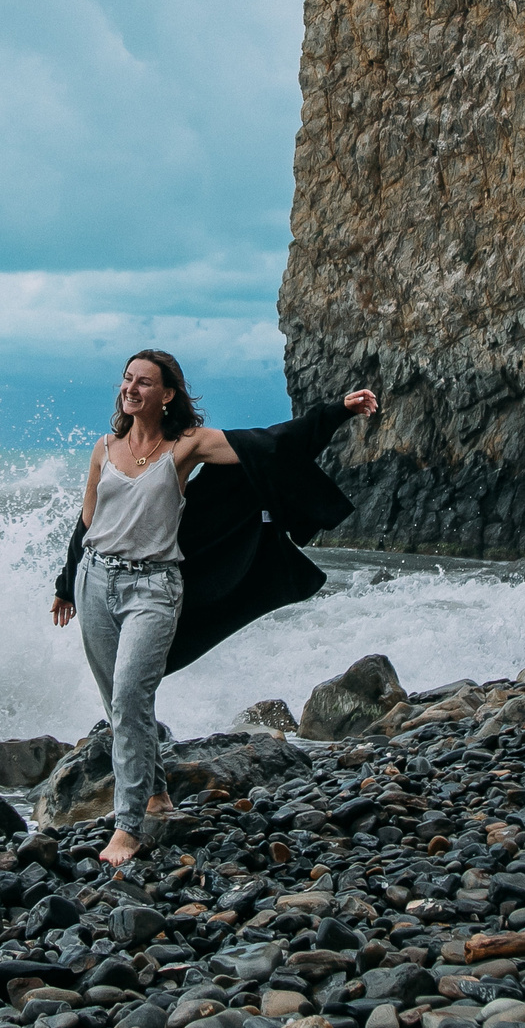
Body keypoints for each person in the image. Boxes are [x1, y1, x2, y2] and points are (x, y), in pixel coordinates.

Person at [52, 349, 379, 866]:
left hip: (154, 590)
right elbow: (88, 521)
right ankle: (156, 793)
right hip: (95, 581)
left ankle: (128, 826)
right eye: (127, 379)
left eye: (144, 382)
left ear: (168, 394)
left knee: (130, 698)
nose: (131, 389)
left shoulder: (186, 446)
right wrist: (66, 583)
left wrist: (334, 412)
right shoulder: (105, 448)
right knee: (120, 701)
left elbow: (268, 445)